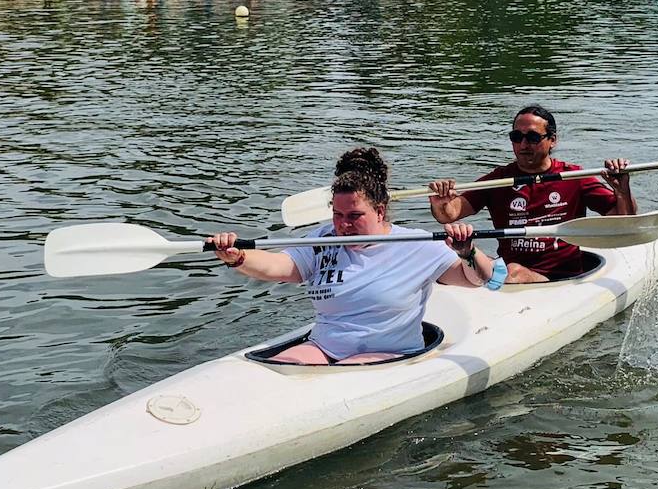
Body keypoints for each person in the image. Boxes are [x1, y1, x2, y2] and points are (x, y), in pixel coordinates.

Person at [209, 147, 496, 365]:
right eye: (337, 215)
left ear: (380, 211)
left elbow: (477, 279)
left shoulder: (416, 244)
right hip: (324, 348)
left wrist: (467, 251)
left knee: (335, 375)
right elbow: (280, 266)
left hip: (390, 354)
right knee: (281, 367)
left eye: (355, 216)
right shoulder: (322, 238)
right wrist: (238, 256)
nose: (343, 225)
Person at [428, 104, 634, 283]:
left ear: (552, 140)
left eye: (533, 137)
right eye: (516, 137)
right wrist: (441, 201)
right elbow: (449, 215)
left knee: (514, 272)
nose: (524, 145)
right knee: (450, 256)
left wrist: (621, 189)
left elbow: (625, 223)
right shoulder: (499, 179)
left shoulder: (574, 177)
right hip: (511, 272)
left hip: (559, 275)